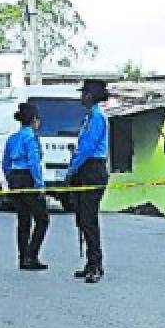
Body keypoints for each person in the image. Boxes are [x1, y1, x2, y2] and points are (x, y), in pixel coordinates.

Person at [68, 79, 112, 283]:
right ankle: (90, 262)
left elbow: (88, 147)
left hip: (92, 168)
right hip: (86, 168)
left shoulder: (97, 117)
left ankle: (96, 264)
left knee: (89, 219)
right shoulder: (90, 116)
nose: (81, 96)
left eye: (84, 93)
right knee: (83, 219)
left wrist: (73, 168)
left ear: (90, 96)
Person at [2, 102, 49, 270]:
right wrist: (39, 185)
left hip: (15, 178)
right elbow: (34, 162)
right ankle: (32, 255)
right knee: (42, 219)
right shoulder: (31, 137)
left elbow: (5, 163)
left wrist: (10, 179)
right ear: (34, 120)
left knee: (23, 219)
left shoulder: (12, 138)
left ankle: (23, 258)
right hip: (27, 178)